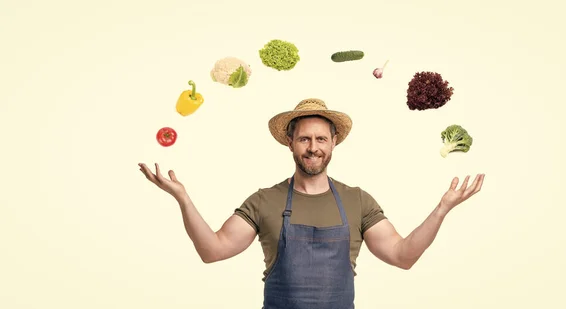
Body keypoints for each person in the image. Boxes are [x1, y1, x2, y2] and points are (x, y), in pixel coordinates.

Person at [138, 98, 485, 309]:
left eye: (321, 138)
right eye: (304, 138)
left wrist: (442, 209)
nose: (313, 147)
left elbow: (403, 256)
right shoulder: (264, 200)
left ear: (334, 142)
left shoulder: (357, 200)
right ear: (290, 143)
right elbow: (213, 250)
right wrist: (182, 198)